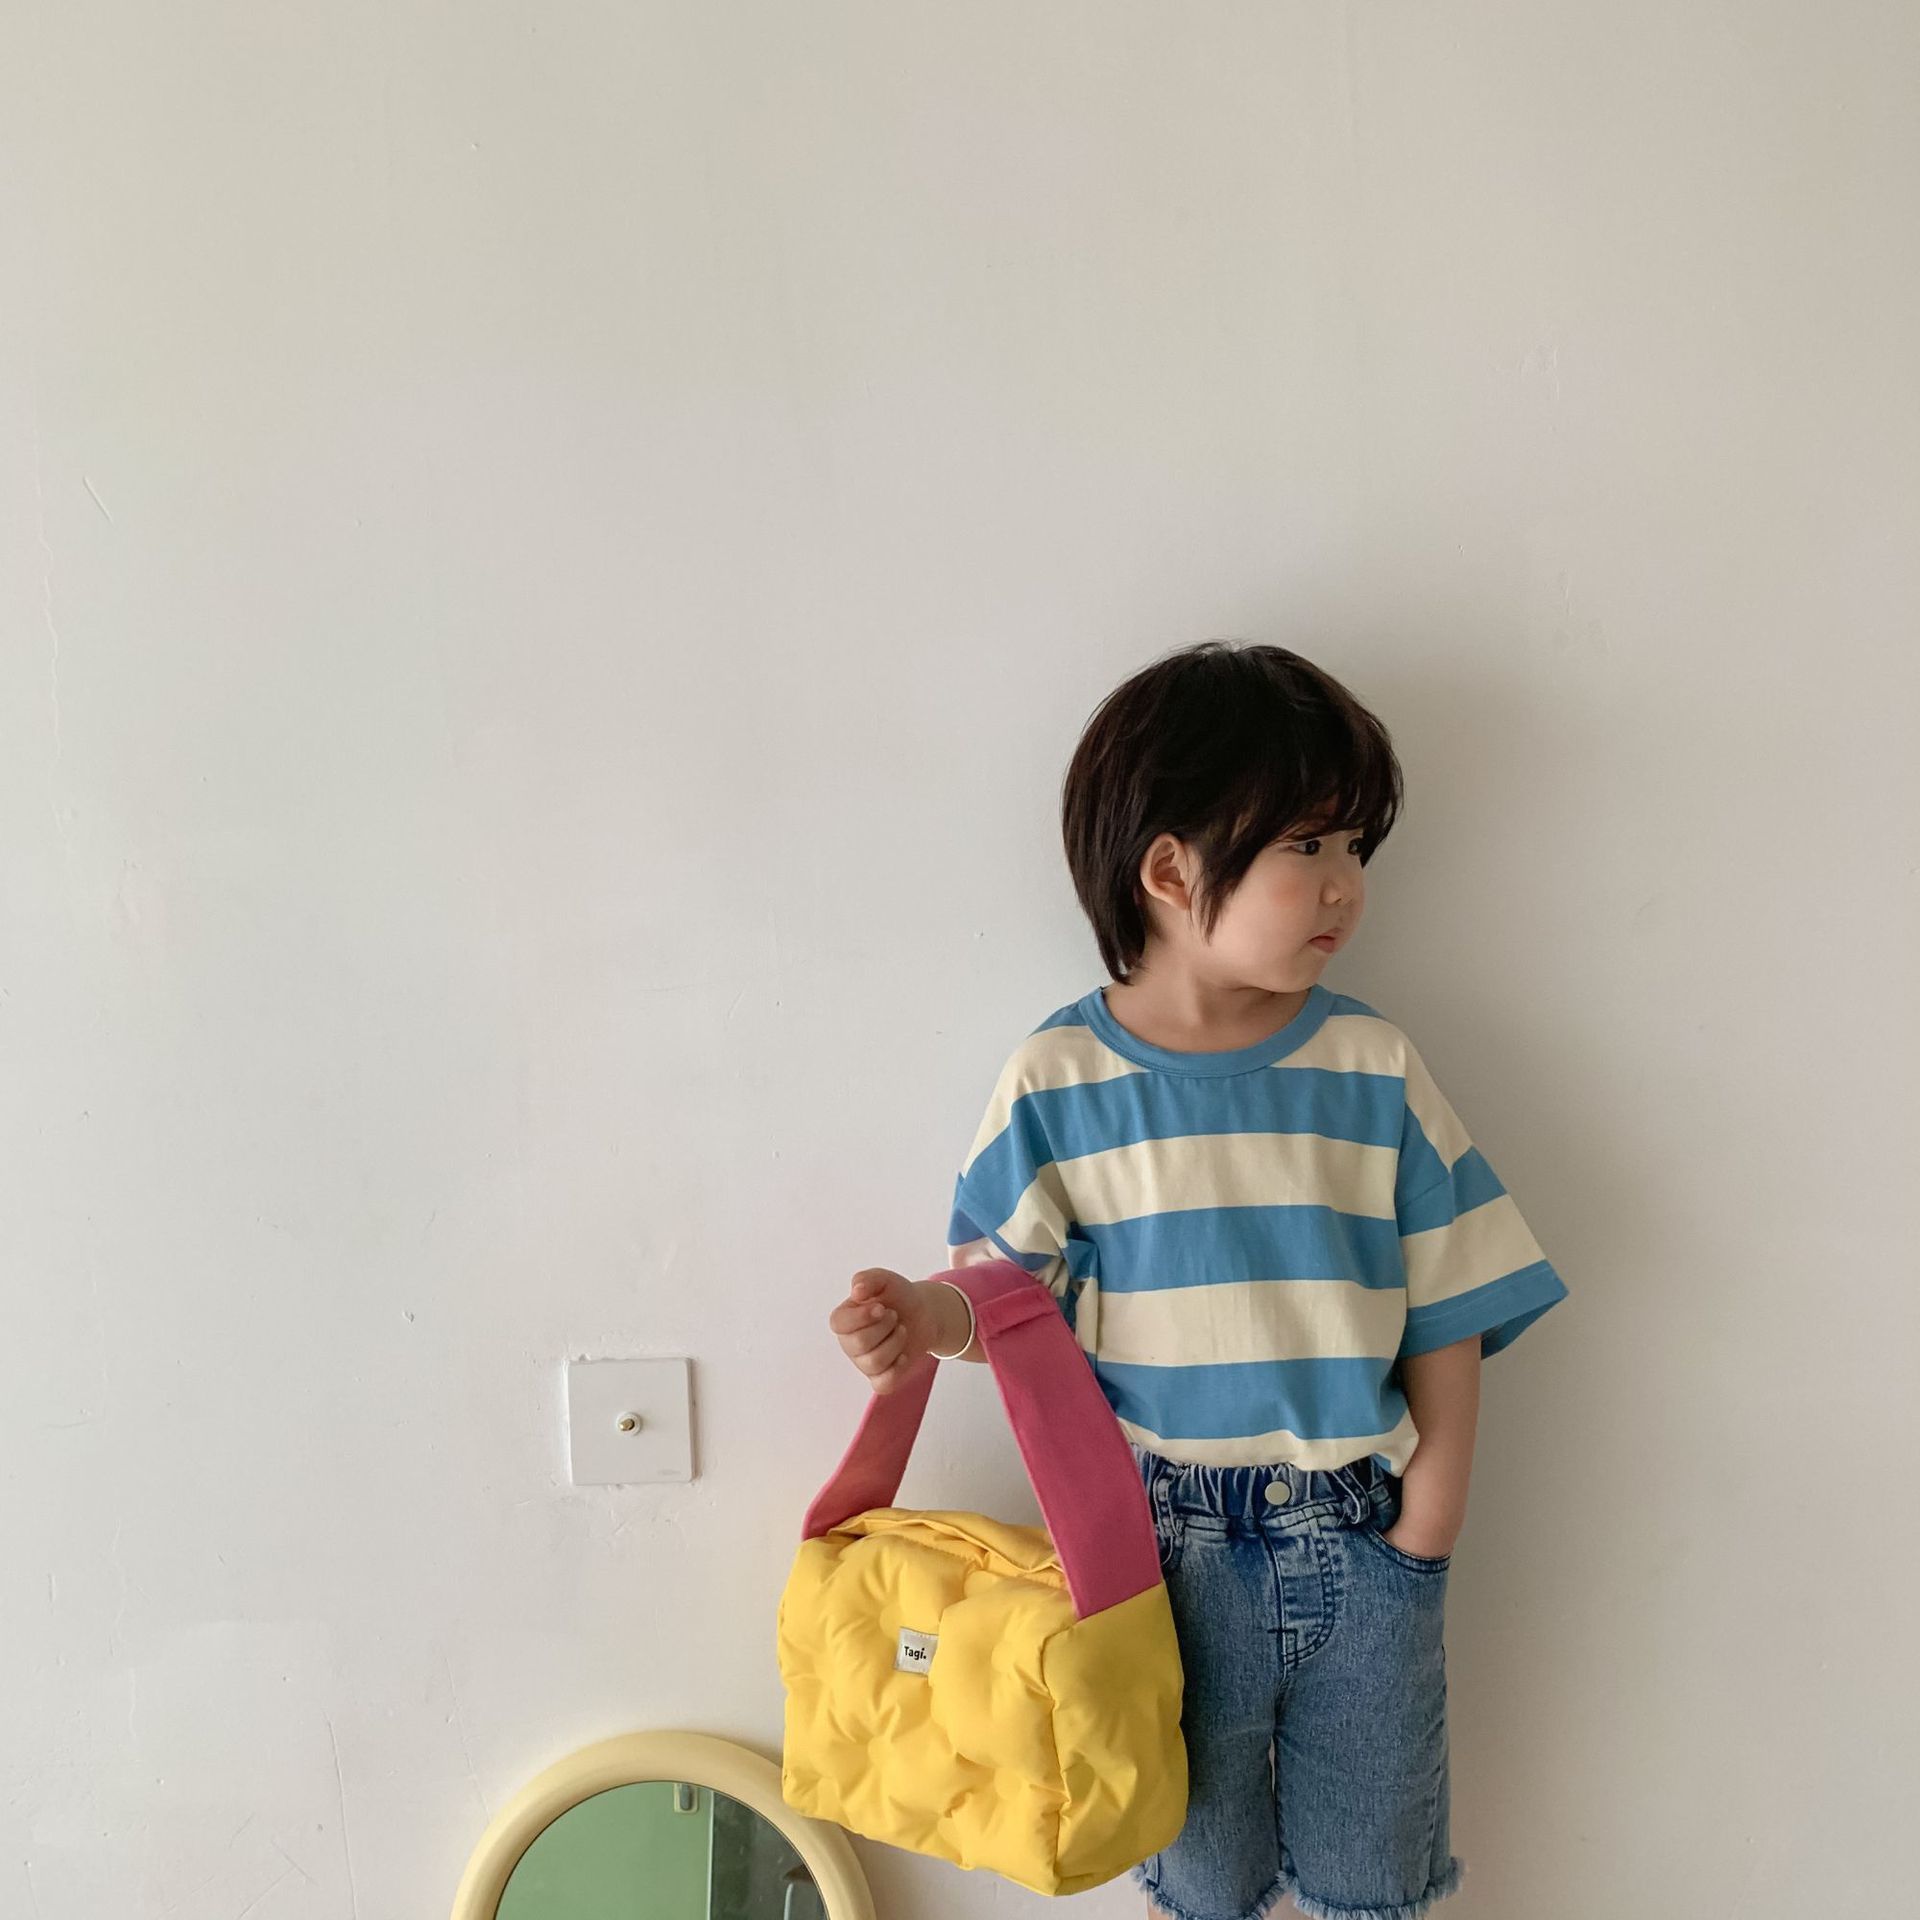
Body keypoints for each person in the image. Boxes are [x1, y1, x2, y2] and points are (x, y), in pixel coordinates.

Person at [828, 640, 1569, 1920]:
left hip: (1368, 1540)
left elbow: (1450, 1297)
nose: (1345, 885)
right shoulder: (1060, 1080)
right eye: (1308, 845)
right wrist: (920, 1318)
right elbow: (1006, 1302)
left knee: (1373, 1878)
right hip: (1155, 1561)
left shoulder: (1372, 1066)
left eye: (1356, 849)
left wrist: (1431, 1515)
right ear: (1171, 872)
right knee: (1198, 1875)